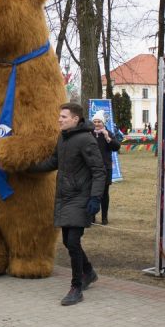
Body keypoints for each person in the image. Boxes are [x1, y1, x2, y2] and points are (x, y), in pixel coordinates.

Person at [27, 103, 105, 306]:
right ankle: (88, 272)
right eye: (59, 116)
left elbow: (99, 171)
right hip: (64, 197)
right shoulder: (63, 138)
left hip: (81, 197)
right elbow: (54, 162)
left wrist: (95, 198)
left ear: (75, 119)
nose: (59, 119)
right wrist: (27, 168)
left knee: (71, 241)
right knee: (70, 242)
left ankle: (76, 287)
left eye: (64, 116)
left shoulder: (86, 140)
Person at [90, 111, 121, 225]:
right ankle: (91, 216)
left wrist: (108, 138)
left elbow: (116, 147)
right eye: (95, 122)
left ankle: (104, 217)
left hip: (105, 168)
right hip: (92, 168)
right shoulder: (89, 134)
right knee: (92, 192)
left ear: (103, 123)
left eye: (99, 122)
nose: (97, 124)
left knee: (104, 193)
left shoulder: (108, 133)